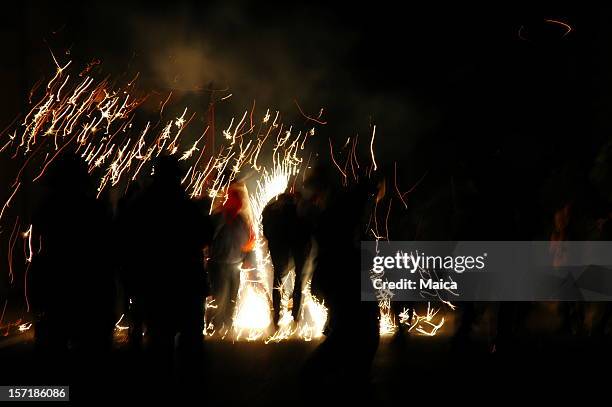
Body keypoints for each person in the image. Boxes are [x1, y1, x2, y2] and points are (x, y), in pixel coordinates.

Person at [208, 182, 255, 332]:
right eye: (234, 200)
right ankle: (215, 325)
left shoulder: (242, 220)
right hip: (218, 263)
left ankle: (227, 323)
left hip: (235, 264)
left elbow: (249, 241)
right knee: (219, 296)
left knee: (231, 297)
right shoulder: (218, 217)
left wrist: (247, 259)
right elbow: (208, 237)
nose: (238, 203)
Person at [262, 192, 311, 328]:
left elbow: (266, 231)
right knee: (299, 281)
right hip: (298, 249)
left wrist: (273, 243)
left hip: (279, 250)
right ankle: (296, 316)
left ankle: (277, 315)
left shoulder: (271, 210)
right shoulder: (300, 210)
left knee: (278, 280)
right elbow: (308, 229)